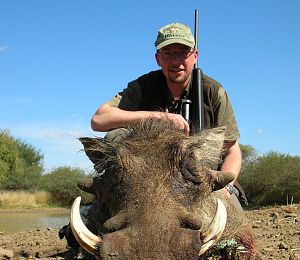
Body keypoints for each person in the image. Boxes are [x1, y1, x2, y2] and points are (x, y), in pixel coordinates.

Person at [91, 22, 244, 209]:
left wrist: (225, 189)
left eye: (182, 52)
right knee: (115, 137)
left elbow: (232, 152)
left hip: (202, 183)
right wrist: (158, 117)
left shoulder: (213, 92)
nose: (175, 60)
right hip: (146, 185)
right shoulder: (143, 87)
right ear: (158, 58)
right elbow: (98, 119)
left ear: (194, 56)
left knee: (237, 228)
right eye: (168, 53)